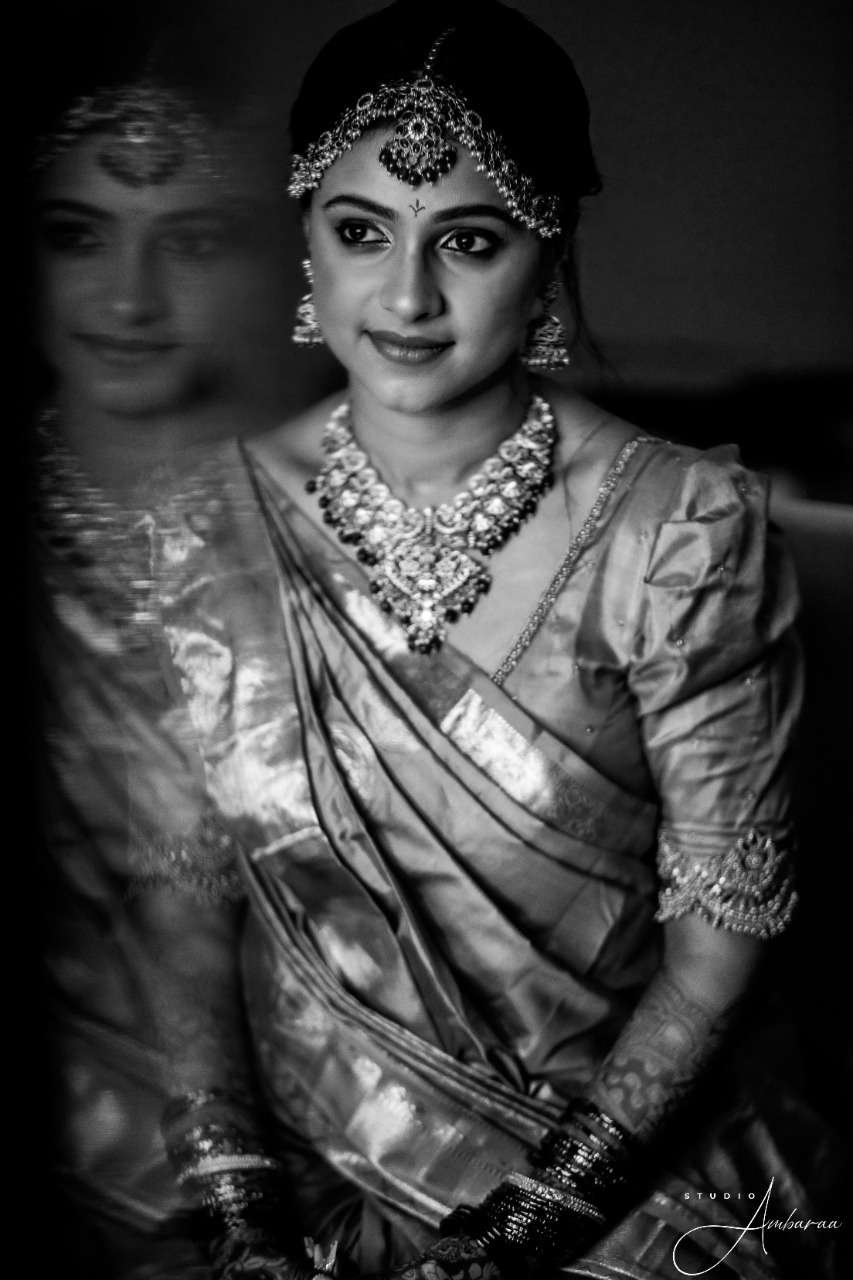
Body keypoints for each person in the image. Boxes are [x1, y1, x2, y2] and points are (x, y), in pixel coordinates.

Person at [121, 2, 844, 1278]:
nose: (405, 295)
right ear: (305, 237)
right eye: (359, 232)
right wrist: (241, 1210)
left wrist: (530, 1224)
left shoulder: (680, 537)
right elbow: (182, 921)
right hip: (294, 1164)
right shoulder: (203, 529)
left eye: (468, 239)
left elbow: (719, 948)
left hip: (622, 1185)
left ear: (548, 248)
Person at [29, 6, 299, 1273]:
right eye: (77, 235)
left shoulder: (344, 527)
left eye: (190, 241)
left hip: (346, 1121)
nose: (128, 299)